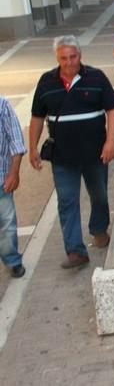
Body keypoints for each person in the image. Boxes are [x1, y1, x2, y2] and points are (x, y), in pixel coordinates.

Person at [29, 35, 114, 269]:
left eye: (73, 57)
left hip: (96, 154)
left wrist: (111, 141)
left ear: (80, 55)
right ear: (57, 58)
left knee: (99, 196)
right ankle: (75, 251)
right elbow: (37, 117)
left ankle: (99, 229)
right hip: (63, 157)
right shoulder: (46, 81)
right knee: (67, 201)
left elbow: (112, 109)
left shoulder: (96, 77)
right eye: (63, 58)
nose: (69, 62)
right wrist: (32, 148)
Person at [0, 95, 26, 278]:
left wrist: (13, 172)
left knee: (7, 224)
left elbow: (16, 141)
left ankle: (12, 261)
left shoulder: (2, 105)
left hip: (1, 180)